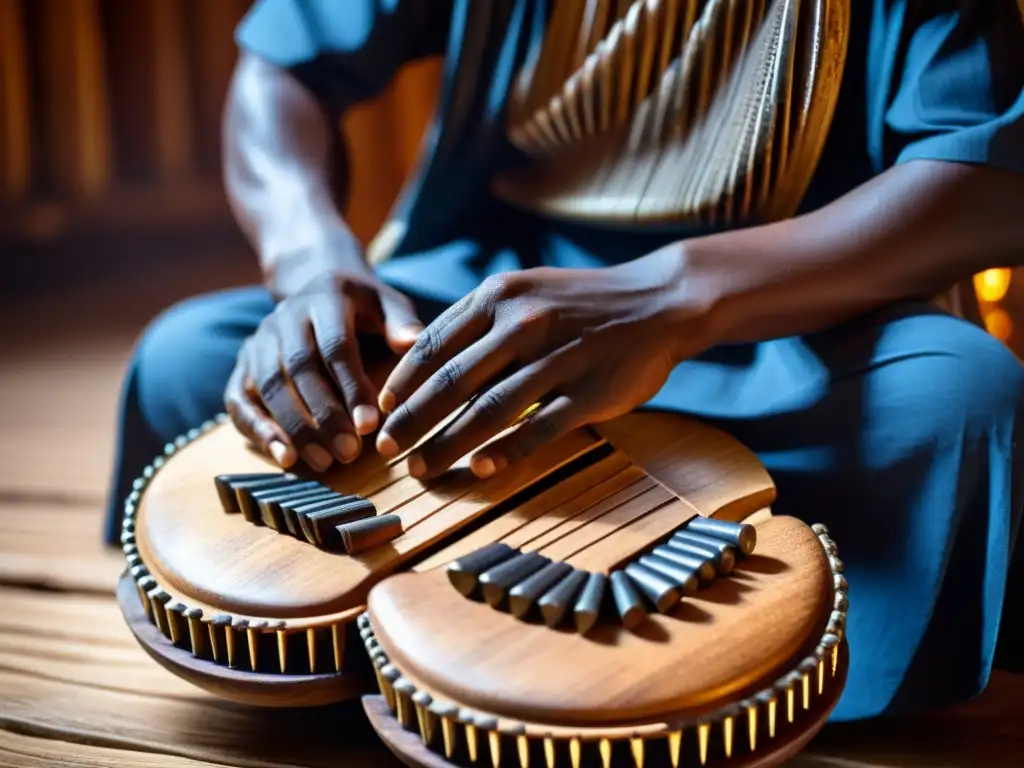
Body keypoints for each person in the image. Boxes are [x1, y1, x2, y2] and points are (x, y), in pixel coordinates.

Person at [103, 0, 1024, 723]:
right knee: (193, 353)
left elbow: (987, 182)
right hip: (493, 294)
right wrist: (310, 265)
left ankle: (480, 599)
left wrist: (670, 298)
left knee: (957, 400)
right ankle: (528, 602)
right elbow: (279, 69)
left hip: (777, 309)